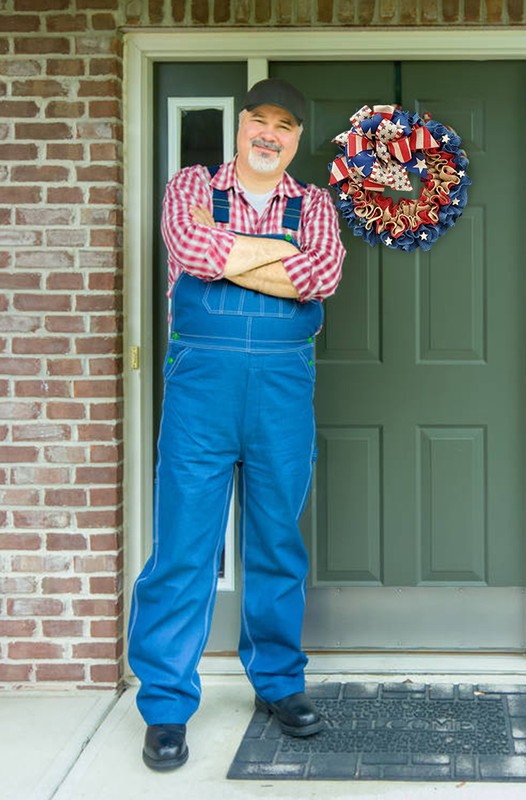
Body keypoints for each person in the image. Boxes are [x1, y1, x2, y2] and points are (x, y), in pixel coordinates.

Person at [127, 78, 346, 772]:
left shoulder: (315, 204)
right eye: (260, 120)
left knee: (277, 541)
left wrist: (231, 251)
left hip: (282, 394)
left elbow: (322, 276)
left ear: (296, 139)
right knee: (183, 546)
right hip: (201, 396)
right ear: (241, 124)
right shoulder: (191, 186)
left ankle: (278, 682)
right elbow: (192, 250)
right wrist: (277, 254)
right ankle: (166, 705)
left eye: (284, 125)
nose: (269, 135)